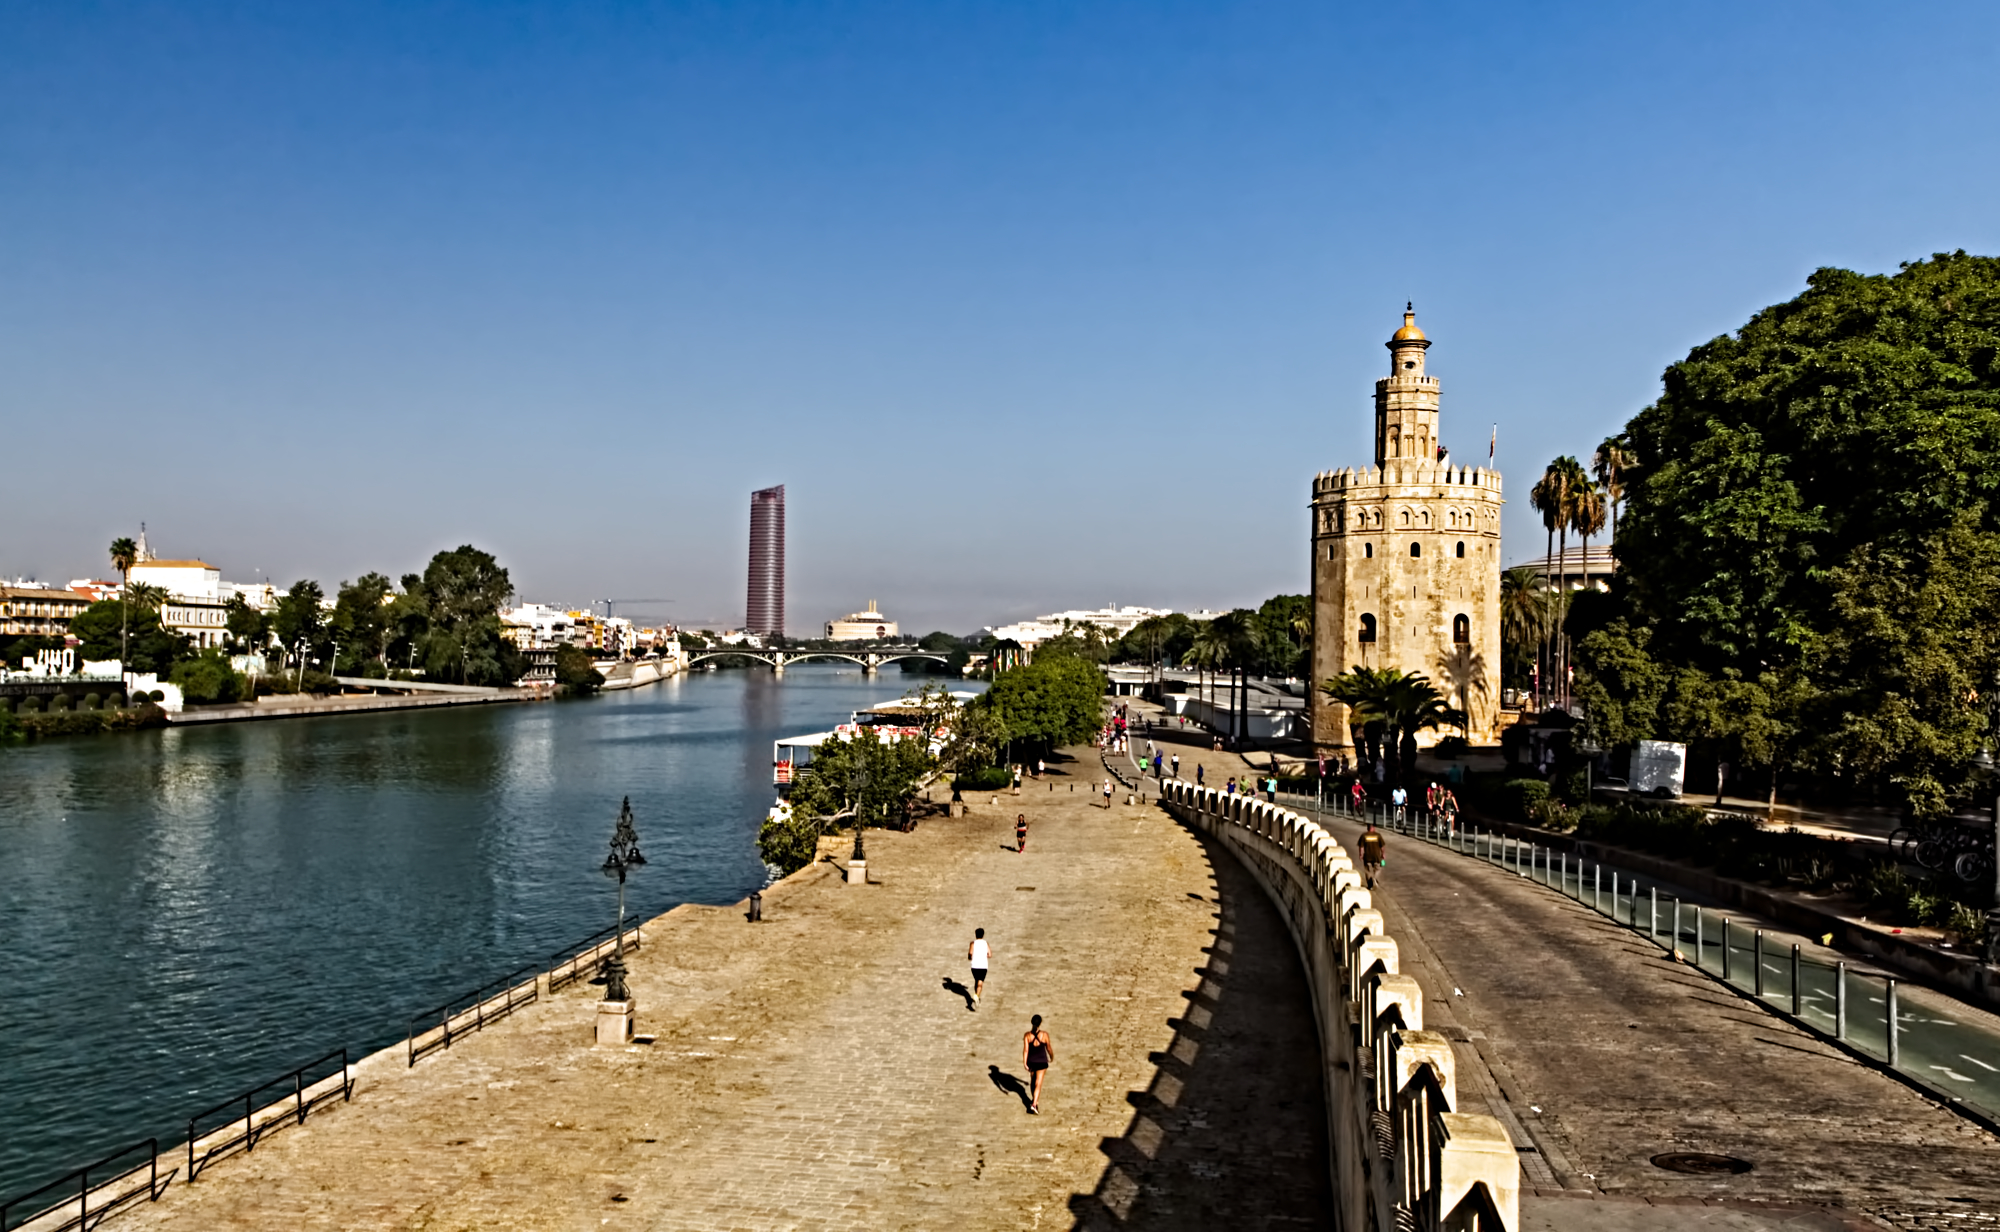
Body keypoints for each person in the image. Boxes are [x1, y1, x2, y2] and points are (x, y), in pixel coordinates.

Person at [1022, 1014, 1055, 1114]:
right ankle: (1034, 1104)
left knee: (1033, 1082)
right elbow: (1048, 1048)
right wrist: (1052, 1057)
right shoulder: (1044, 1035)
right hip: (1042, 1062)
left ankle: (1034, 1100)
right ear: (1040, 1023)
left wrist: (1025, 1063)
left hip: (1031, 1061)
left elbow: (1026, 1050)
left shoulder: (1027, 1035)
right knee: (1038, 1083)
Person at [1359, 820, 1386, 889]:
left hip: (1367, 857)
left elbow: (1361, 847)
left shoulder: (1364, 835)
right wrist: (1383, 854)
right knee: (1378, 869)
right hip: (1376, 856)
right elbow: (1382, 846)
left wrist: (1361, 855)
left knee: (1368, 870)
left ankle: (1370, 885)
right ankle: (1374, 878)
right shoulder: (1378, 835)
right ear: (1373, 828)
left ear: (1367, 828)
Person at [968, 928, 990, 1006]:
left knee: (976, 981)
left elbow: (970, 954)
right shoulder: (985, 943)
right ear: (983, 935)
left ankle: (977, 996)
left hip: (974, 966)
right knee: (980, 983)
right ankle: (976, 996)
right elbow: (989, 954)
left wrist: (970, 957)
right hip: (983, 966)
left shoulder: (972, 943)